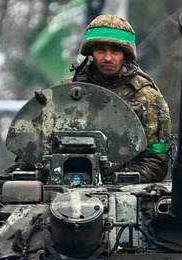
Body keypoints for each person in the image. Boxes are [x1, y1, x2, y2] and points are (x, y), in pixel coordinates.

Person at [69, 15, 171, 183]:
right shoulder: (71, 90)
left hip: (121, 189)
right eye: (101, 50)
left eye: (115, 51)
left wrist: (112, 179)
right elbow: (42, 144)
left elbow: (156, 162)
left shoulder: (147, 99)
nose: (108, 58)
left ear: (125, 54)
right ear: (91, 52)